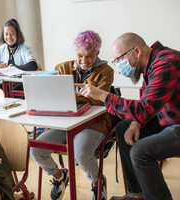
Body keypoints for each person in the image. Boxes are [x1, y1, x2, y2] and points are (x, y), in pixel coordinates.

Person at [76, 32, 180, 200]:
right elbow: (148, 104)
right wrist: (136, 122)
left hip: (176, 123)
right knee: (125, 127)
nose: (119, 66)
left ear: (136, 52)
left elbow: (143, 110)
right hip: (168, 119)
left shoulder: (165, 64)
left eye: (119, 60)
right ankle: (136, 194)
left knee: (141, 151)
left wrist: (103, 95)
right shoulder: (152, 63)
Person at [30, 30, 114, 200]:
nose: (84, 60)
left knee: (81, 153)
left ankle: (97, 181)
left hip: (94, 122)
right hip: (66, 122)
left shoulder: (106, 71)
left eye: (89, 56)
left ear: (97, 53)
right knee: (36, 149)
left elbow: (99, 99)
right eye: (80, 55)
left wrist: (69, 95)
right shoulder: (62, 68)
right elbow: (57, 96)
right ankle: (60, 176)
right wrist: (82, 95)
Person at [0, 18, 37, 91]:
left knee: (8, 93)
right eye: (6, 34)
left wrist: (13, 67)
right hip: (6, 83)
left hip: (22, 83)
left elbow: (33, 65)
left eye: (12, 34)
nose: (9, 37)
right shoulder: (2, 49)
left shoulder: (24, 48)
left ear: (17, 34)